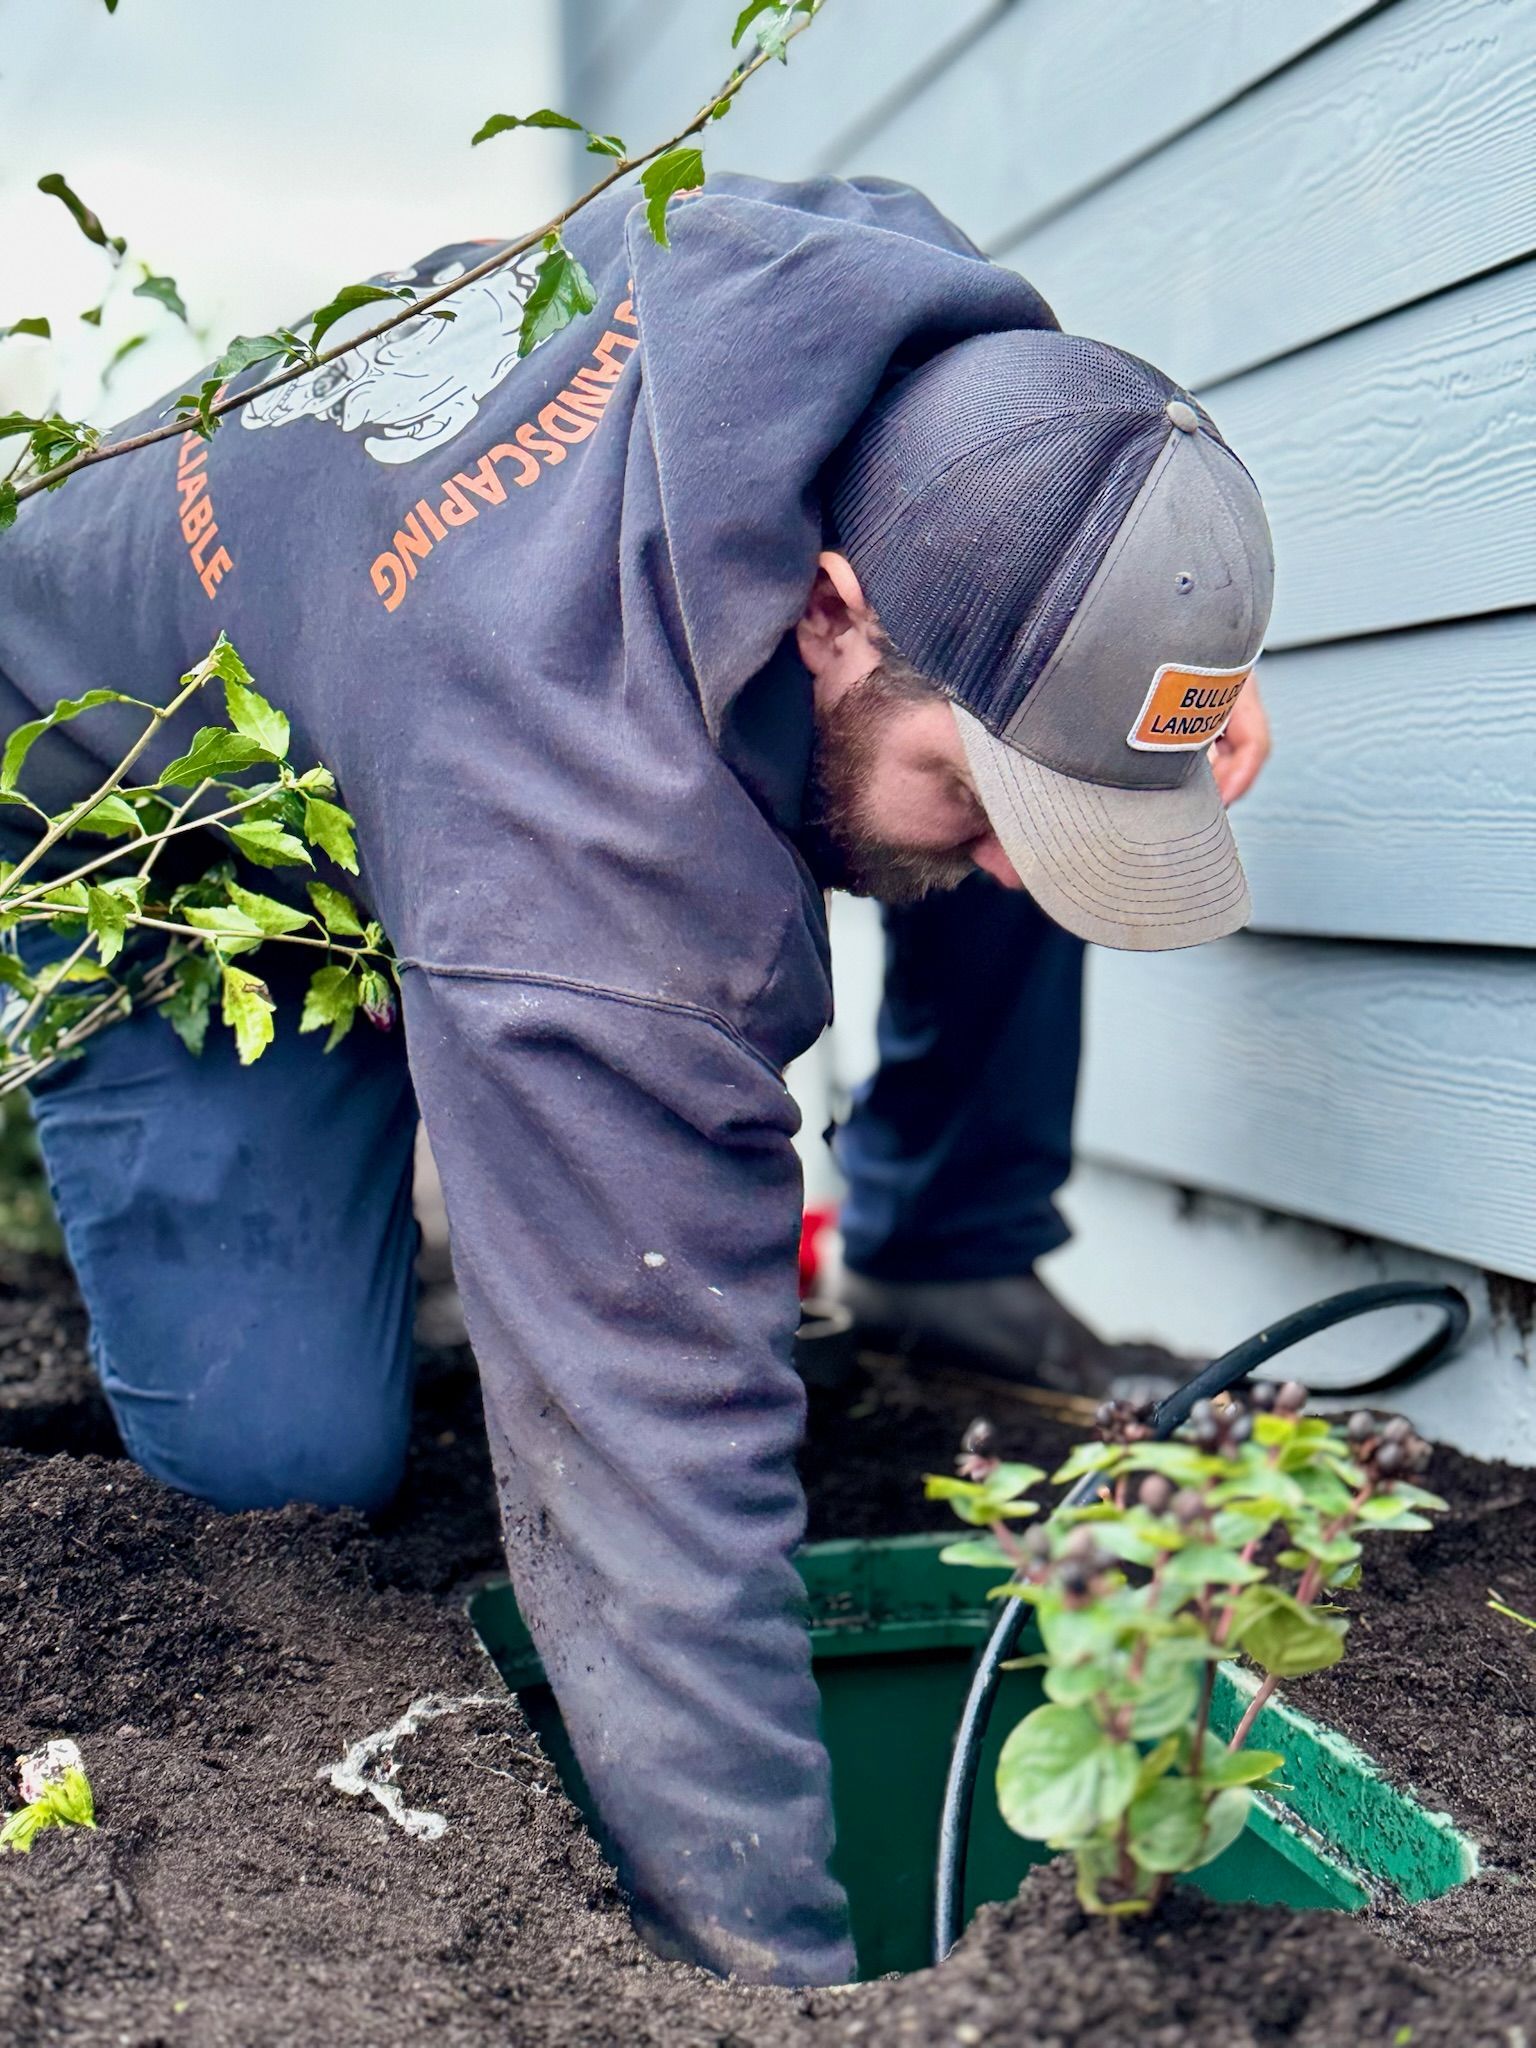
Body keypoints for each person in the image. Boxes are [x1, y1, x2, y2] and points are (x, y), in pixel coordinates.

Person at [0, 173, 1272, 1986]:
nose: (1007, 867)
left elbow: (1072, 578)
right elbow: (647, 1449)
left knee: (1023, 795)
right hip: (148, 814)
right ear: (828, 610)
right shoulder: (579, 807)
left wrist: (1151, 707)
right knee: (292, 1467)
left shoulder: (916, 338)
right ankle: (451, 1072)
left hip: (434, 716)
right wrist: (770, 1977)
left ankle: (947, 1235)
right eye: (973, 795)